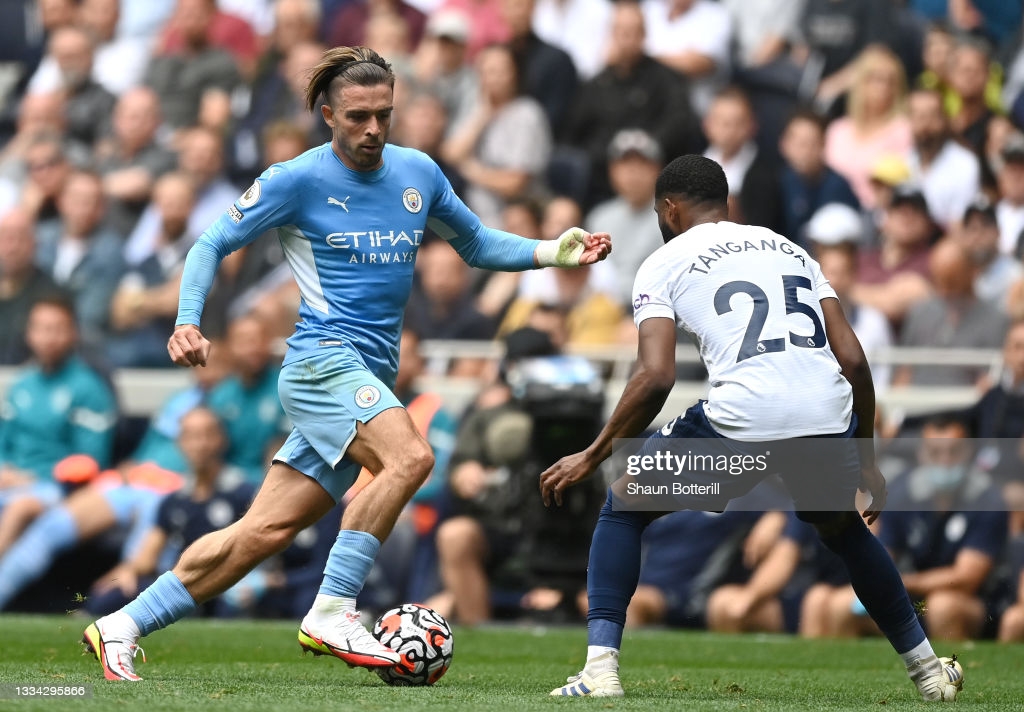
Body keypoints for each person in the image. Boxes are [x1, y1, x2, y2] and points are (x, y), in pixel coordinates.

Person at [81, 45, 610, 682]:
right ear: (328, 114)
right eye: (358, 116)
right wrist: (187, 320)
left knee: (262, 532)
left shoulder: (418, 173)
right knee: (411, 458)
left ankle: (121, 623)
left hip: (366, 378)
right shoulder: (295, 179)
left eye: (384, 114)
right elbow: (211, 242)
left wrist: (555, 251)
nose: (373, 130)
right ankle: (332, 608)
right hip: (319, 364)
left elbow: (475, 243)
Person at [539, 154, 960, 701]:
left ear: (669, 209)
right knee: (843, 529)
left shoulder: (663, 262)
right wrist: (868, 460)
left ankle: (599, 671)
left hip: (746, 415)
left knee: (623, 508)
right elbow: (854, 360)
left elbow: (656, 375)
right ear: (727, 203)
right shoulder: (792, 249)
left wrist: (593, 453)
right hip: (824, 412)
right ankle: (929, 672)